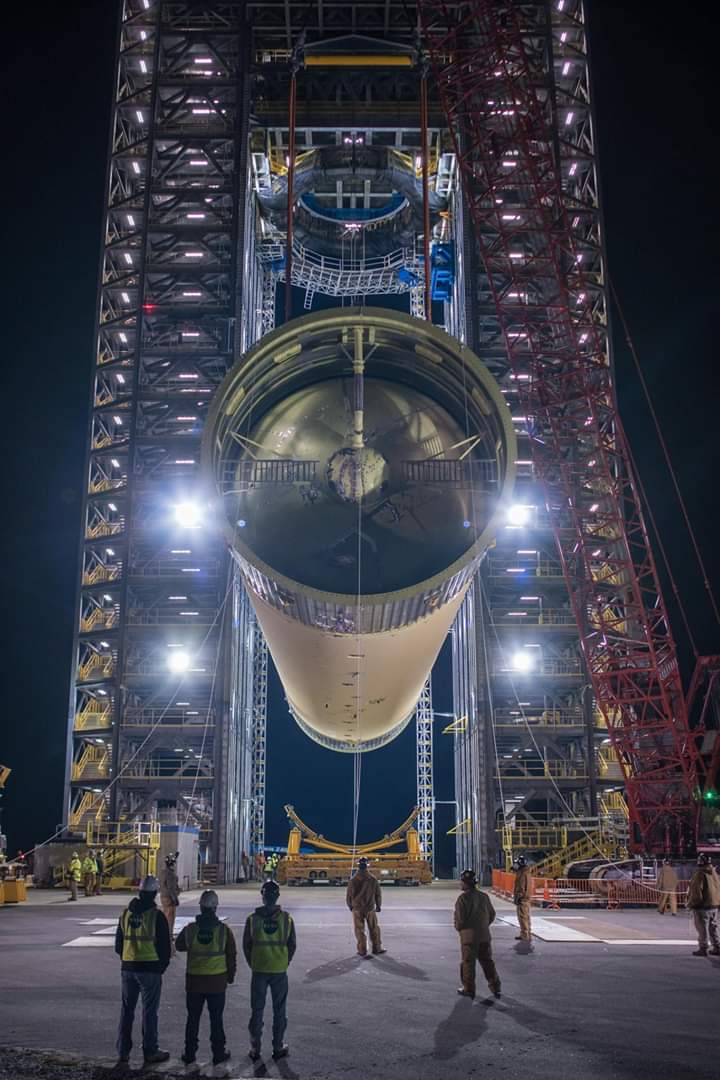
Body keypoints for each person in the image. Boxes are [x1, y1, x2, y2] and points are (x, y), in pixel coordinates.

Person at [176, 890, 237, 1077]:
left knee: (193, 1019)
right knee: (216, 1019)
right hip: (216, 983)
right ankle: (218, 1053)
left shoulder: (191, 929)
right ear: (215, 907)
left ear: (201, 907)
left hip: (194, 982)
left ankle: (189, 1053)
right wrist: (230, 976)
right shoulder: (223, 930)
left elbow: (179, 945)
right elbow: (231, 955)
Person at [114, 874, 171, 1067]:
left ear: (139, 891)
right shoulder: (156, 916)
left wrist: (128, 959)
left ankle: (123, 1052)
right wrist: (160, 968)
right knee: (149, 1012)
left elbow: (118, 946)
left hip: (128, 968)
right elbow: (165, 948)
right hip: (150, 969)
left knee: (127, 1010)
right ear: (155, 893)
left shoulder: (126, 915)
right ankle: (150, 1050)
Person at [243, 879, 296, 1062]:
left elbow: (246, 946)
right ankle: (278, 1046)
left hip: (259, 969)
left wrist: (253, 963)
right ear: (278, 896)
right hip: (279, 970)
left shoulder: (253, 919)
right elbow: (292, 945)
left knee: (257, 1010)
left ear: (262, 896)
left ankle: (255, 1048)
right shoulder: (286, 919)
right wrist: (284, 961)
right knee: (279, 1010)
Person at [454, 869, 501, 1000]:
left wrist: (460, 929)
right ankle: (495, 987)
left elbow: (460, 920)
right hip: (484, 935)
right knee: (487, 962)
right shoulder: (484, 896)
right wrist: (483, 926)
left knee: (468, 963)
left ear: (465, 883)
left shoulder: (463, 899)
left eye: (462, 882)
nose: (460, 884)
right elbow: (492, 914)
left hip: (469, 938)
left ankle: (468, 989)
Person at [346, 857, 386, 957]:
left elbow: (349, 895)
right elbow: (378, 894)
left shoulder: (353, 880)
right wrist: (378, 905)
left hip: (357, 908)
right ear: (367, 866)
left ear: (358, 866)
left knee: (359, 930)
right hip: (370, 908)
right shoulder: (372, 879)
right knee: (374, 928)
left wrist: (350, 906)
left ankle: (362, 950)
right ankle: (377, 948)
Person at [687, 853, 720, 957]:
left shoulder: (700, 874)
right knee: (713, 927)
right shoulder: (714, 873)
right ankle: (717, 947)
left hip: (702, 906)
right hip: (714, 905)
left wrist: (692, 904)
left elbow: (696, 891)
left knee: (702, 928)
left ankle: (703, 948)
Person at [159, 852, 181, 945]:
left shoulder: (163, 873)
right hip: (169, 898)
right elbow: (171, 888)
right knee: (170, 918)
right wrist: (175, 899)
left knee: (165, 916)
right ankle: (169, 935)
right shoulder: (170, 875)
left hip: (163, 897)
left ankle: (166, 934)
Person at [513, 854, 532, 942]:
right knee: (526, 917)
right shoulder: (526, 872)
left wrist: (518, 897)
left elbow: (521, 886)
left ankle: (525, 935)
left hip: (522, 898)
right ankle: (527, 934)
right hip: (525, 898)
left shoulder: (523, 874)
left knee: (522, 917)